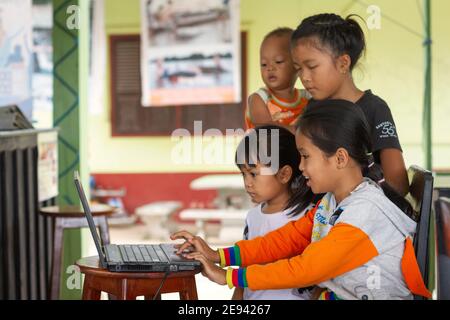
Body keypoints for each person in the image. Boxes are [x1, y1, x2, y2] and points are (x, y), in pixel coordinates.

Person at [172, 100, 431, 300]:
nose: (300, 165)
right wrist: (219, 255)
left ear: (339, 159)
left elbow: (307, 269)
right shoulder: (334, 201)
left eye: (305, 156)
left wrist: (229, 276)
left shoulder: (365, 213)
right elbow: (288, 238)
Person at [290, 13, 409, 195]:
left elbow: (398, 185)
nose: (304, 77)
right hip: (322, 215)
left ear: (343, 63)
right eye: (298, 69)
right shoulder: (312, 110)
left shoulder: (375, 109)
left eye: (312, 66)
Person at [231, 125, 315, 300]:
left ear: (284, 174)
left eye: (253, 174)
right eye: (243, 174)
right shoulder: (252, 217)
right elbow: (244, 267)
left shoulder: (308, 217)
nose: (247, 183)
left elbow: (319, 278)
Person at [245, 27, 310, 133]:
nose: (270, 68)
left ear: (296, 64)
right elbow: (265, 128)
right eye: (264, 64)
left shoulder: (307, 97)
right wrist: (297, 132)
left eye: (278, 61)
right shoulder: (259, 98)